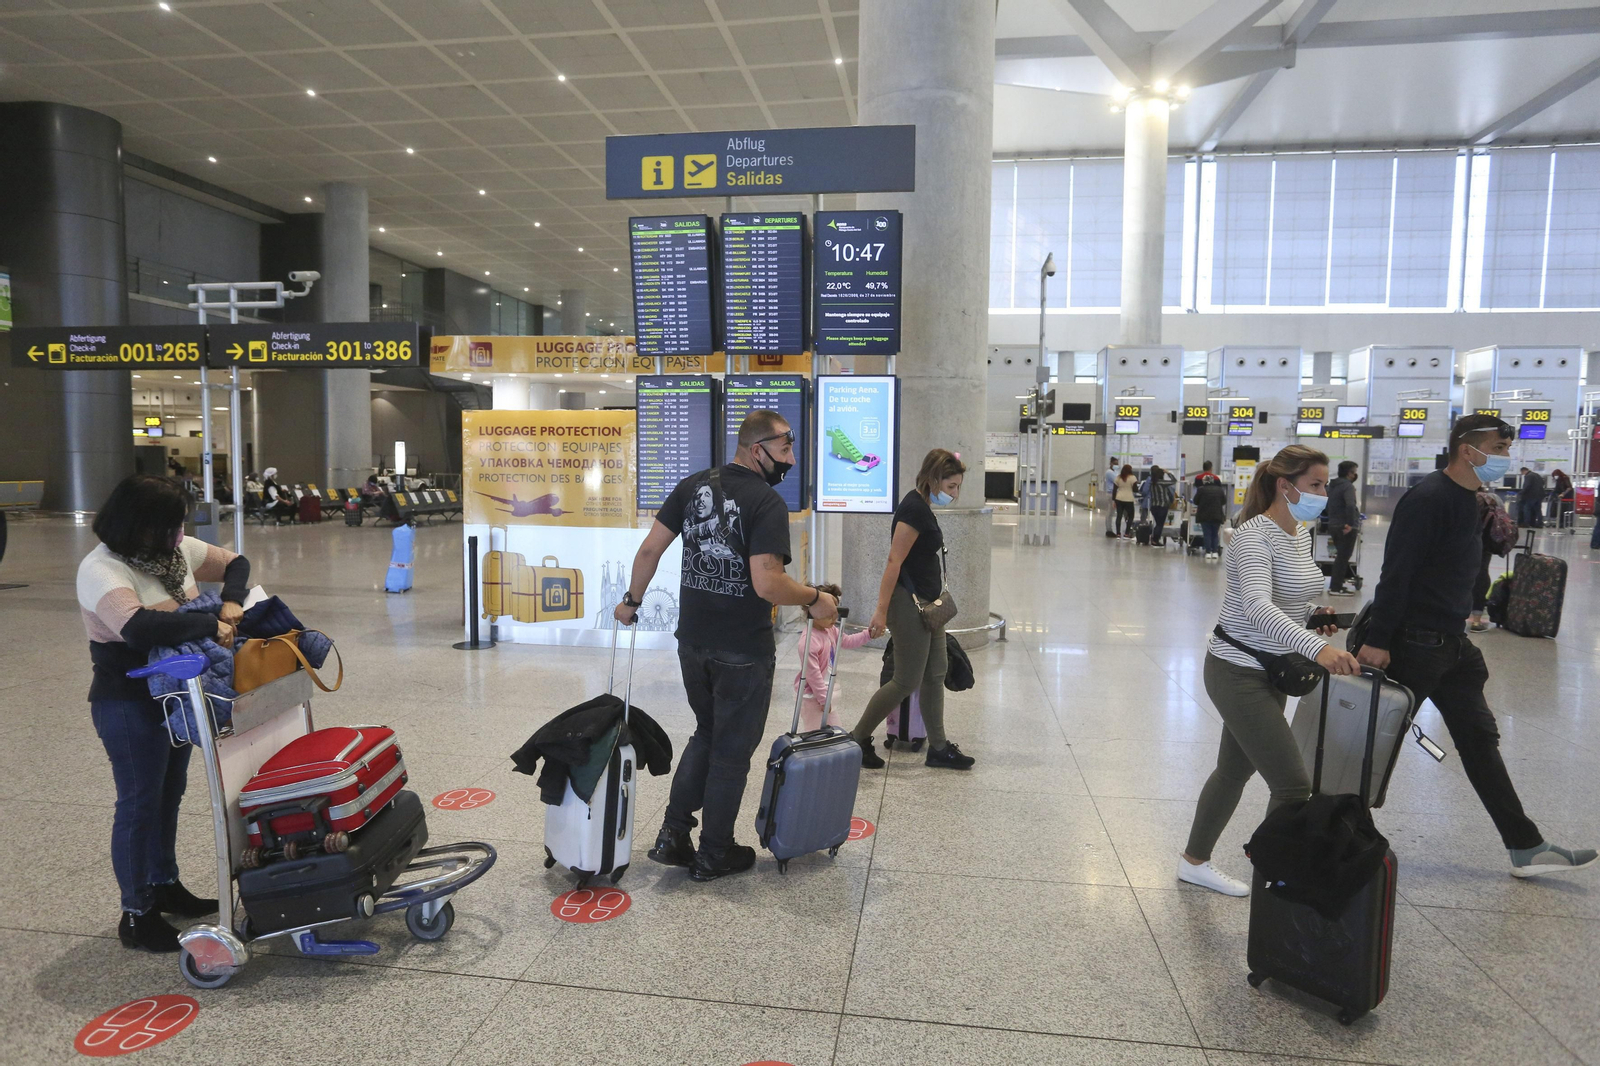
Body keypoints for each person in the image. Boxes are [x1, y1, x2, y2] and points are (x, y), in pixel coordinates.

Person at [1355, 414, 1595, 878]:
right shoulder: (1428, 499)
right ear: (1468, 450)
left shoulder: (1471, 499)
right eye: (1499, 448)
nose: (1506, 456)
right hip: (1414, 644)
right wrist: (1379, 640)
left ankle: (1525, 846)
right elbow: (1397, 573)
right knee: (1374, 747)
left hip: (1453, 647)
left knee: (1480, 742)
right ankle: (1338, 838)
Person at [616, 410, 837, 882]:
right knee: (732, 753)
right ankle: (714, 852)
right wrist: (816, 598)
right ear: (757, 450)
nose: (790, 460)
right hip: (741, 650)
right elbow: (768, 583)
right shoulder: (766, 502)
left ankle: (674, 834)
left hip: (693, 642)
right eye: (784, 450)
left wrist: (631, 601)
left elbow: (650, 549)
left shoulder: (693, 485)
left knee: (707, 732)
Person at [76, 475, 252, 951]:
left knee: (168, 794)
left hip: (176, 694)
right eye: (172, 526)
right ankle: (137, 913)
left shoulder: (174, 553)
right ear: (141, 525)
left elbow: (236, 562)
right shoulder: (103, 569)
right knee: (139, 803)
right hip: (128, 702)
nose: (181, 535)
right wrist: (209, 622)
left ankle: (164, 883)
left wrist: (232, 600)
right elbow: (139, 627)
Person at [1177, 445, 1360, 896]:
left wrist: (1315, 614)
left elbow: (1288, 599)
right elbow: (1257, 606)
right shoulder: (1253, 536)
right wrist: (1318, 649)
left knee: (1232, 771)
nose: (1323, 494)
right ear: (1285, 485)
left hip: (1273, 668)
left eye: (1325, 484)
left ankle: (1193, 862)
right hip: (1236, 670)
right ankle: (1275, 885)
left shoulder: (1300, 533)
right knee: (1293, 785)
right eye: (1315, 484)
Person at [848, 448, 976, 771]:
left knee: (936, 672)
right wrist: (880, 611)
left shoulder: (923, 506)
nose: (954, 494)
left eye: (958, 487)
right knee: (906, 680)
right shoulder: (913, 509)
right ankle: (858, 738)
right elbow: (894, 561)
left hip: (929, 605)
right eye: (951, 486)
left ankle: (939, 748)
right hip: (908, 604)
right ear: (933, 479)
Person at [793, 582, 872, 732]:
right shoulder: (809, 641)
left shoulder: (830, 630)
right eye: (829, 614)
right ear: (813, 611)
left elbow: (847, 641)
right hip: (812, 697)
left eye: (835, 612)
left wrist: (867, 635)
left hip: (825, 694)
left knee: (835, 731)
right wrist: (823, 699)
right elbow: (812, 674)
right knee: (815, 734)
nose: (834, 618)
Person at [1325, 461, 1361, 596]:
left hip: (1333, 524)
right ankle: (1336, 588)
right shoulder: (1348, 486)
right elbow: (1350, 505)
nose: (1355, 475)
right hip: (1345, 526)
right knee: (1343, 557)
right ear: (1349, 473)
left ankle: (1335, 586)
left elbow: (1327, 505)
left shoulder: (1331, 486)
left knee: (1340, 557)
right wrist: (1350, 524)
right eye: (1354, 472)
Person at [1192, 467, 1227, 560]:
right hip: (1217, 515)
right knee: (1215, 534)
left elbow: (1195, 501)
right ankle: (1215, 552)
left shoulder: (1201, 490)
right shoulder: (1220, 490)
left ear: (1204, 481)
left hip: (1204, 515)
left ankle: (1208, 552)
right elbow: (1224, 501)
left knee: (1207, 534)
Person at [1147, 465, 1176, 545]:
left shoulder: (1152, 483)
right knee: (1160, 524)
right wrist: (1168, 473)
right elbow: (1174, 481)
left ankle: (1153, 538)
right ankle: (1155, 540)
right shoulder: (1162, 482)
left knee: (1158, 524)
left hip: (1153, 506)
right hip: (1162, 506)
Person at [1113, 464, 1139, 539]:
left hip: (1119, 498)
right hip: (1129, 499)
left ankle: (1118, 534)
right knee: (1131, 516)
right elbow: (1135, 489)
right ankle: (1126, 534)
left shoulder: (1118, 477)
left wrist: (1114, 500)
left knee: (1119, 516)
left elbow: (1114, 490)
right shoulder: (1132, 478)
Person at [1103, 457, 1119, 537]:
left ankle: (1109, 529)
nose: (1116, 465)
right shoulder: (1109, 472)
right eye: (1115, 463)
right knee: (1110, 513)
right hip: (1111, 494)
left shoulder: (1114, 472)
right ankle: (1109, 530)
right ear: (1111, 463)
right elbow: (1117, 481)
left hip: (1113, 494)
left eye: (1117, 464)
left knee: (1111, 512)